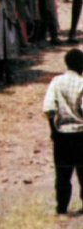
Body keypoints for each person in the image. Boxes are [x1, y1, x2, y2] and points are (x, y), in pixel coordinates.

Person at [44, 49, 83, 214]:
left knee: (62, 175)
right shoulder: (82, 83)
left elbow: (49, 108)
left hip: (61, 135)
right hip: (81, 135)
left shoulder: (56, 81)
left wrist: (53, 130)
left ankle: (62, 208)